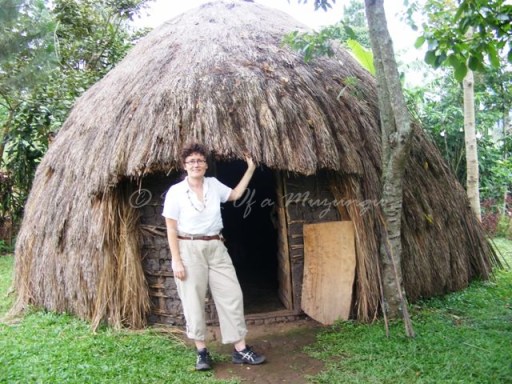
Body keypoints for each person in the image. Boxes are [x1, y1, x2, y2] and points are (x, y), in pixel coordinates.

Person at [162, 143, 266, 371]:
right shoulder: (176, 192)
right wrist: (176, 260)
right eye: (191, 161)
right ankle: (202, 352)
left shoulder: (213, 185)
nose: (196, 165)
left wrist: (250, 169)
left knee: (232, 295)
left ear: (206, 165)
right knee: (193, 299)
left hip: (216, 246)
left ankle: (240, 349)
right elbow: (171, 228)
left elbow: (236, 194)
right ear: (184, 165)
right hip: (188, 247)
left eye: (199, 161)